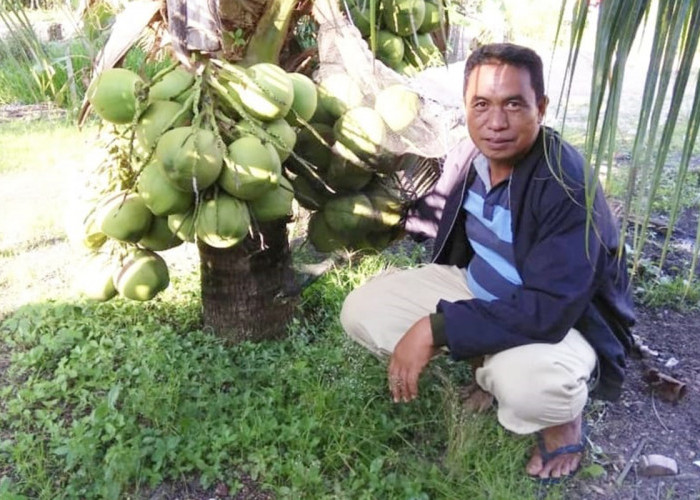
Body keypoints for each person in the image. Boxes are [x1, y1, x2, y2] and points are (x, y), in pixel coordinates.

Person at [340, 43, 636, 482]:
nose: (495, 123)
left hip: (559, 321)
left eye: (514, 105)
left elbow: (550, 307)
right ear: (466, 107)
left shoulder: (565, 184)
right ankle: (485, 364)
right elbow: (431, 217)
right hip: (479, 290)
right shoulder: (469, 157)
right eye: (482, 104)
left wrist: (436, 327)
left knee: (532, 387)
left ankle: (562, 421)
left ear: (542, 107)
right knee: (361, 311)